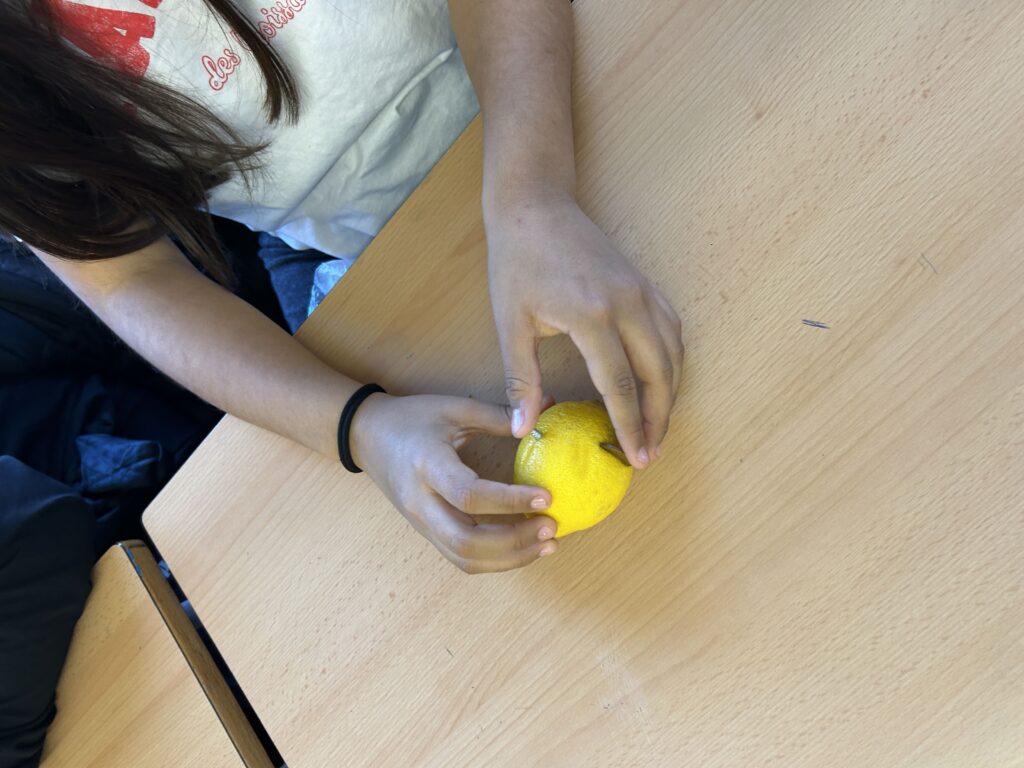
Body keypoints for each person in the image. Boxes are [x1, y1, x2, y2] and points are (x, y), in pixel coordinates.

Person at [1, 0, 684, 575]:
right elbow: (127, 279)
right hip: (356, 239)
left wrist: (530, 191)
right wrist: (360, 426)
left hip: (557, 59)